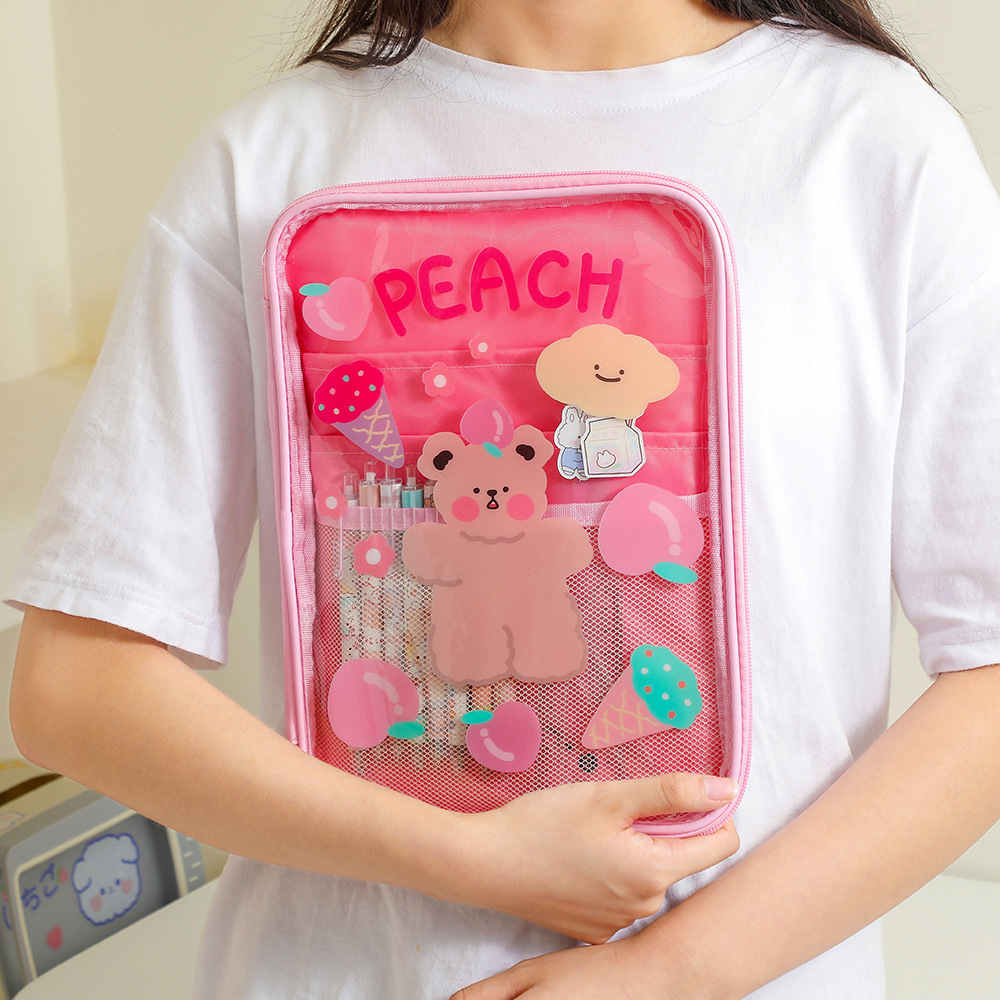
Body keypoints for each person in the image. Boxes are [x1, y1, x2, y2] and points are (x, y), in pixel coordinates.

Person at [6, 0, 1000, 997]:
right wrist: (467, 855)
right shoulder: (268, 159)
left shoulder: (872, 142)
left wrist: (669, 972)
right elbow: (73, 689)